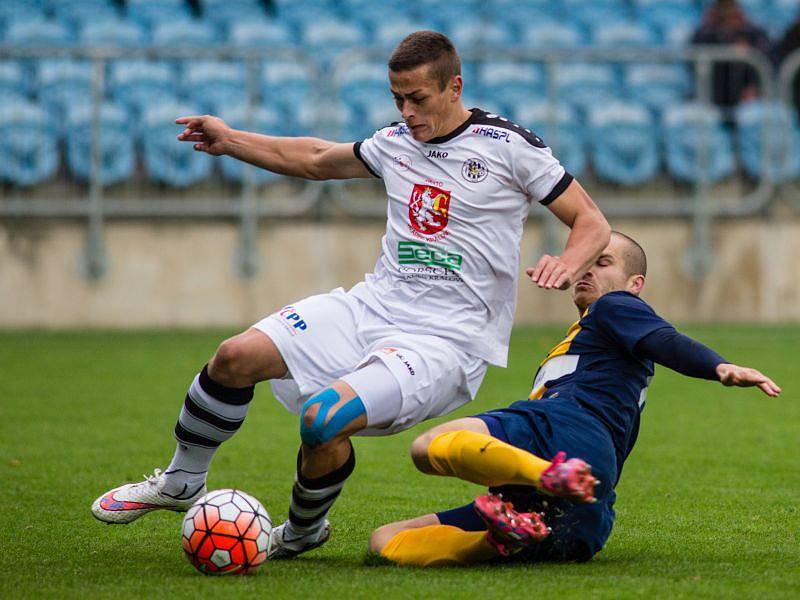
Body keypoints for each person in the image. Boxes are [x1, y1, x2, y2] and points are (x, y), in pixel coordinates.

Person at [90, 31, 611, 558]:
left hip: (444, 343)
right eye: (397, 99)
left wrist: (568, 262)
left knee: (322, 419)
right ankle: (182, 482)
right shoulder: (395, 143)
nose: (406, 111)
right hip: (371, 306)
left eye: (418, 99)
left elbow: (590, 220)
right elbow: (317, 158)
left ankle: (300, 533)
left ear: (454, 87)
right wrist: (230, 140)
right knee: (234, 357)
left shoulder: (509, 147)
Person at [370, 232, 781, 566]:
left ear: (634, 284)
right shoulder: (596, 333)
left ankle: (545, 475)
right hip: (586, 513)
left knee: (427, 447)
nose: (587, 271)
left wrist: (718, 366)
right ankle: (501, 538)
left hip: (568, 432)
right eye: (584, 263)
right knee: (384, 540)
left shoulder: (614, 307)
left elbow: (664, 340)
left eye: (602, 263)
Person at [691, 0, 771, 112]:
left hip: (748, 96)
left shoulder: (754, 34)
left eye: (731, 12)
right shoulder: (706, 34)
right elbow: (693, 62)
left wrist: (755, 86)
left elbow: (770, 61)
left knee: (753, 112)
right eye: (723, 14)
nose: (728, 18)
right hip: (714, 97)